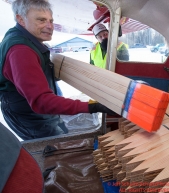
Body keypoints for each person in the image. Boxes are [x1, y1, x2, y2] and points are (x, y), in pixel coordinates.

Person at [0, 0, 116, 140]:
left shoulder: (27, 41)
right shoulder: (21, 50)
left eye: (51, 21)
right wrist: (93, 107)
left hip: (33, 108)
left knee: (61, 133)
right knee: (55, 147)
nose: (50, 26)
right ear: (21, 19)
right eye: (41, 20)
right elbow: (42, 101)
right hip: (29, 114)